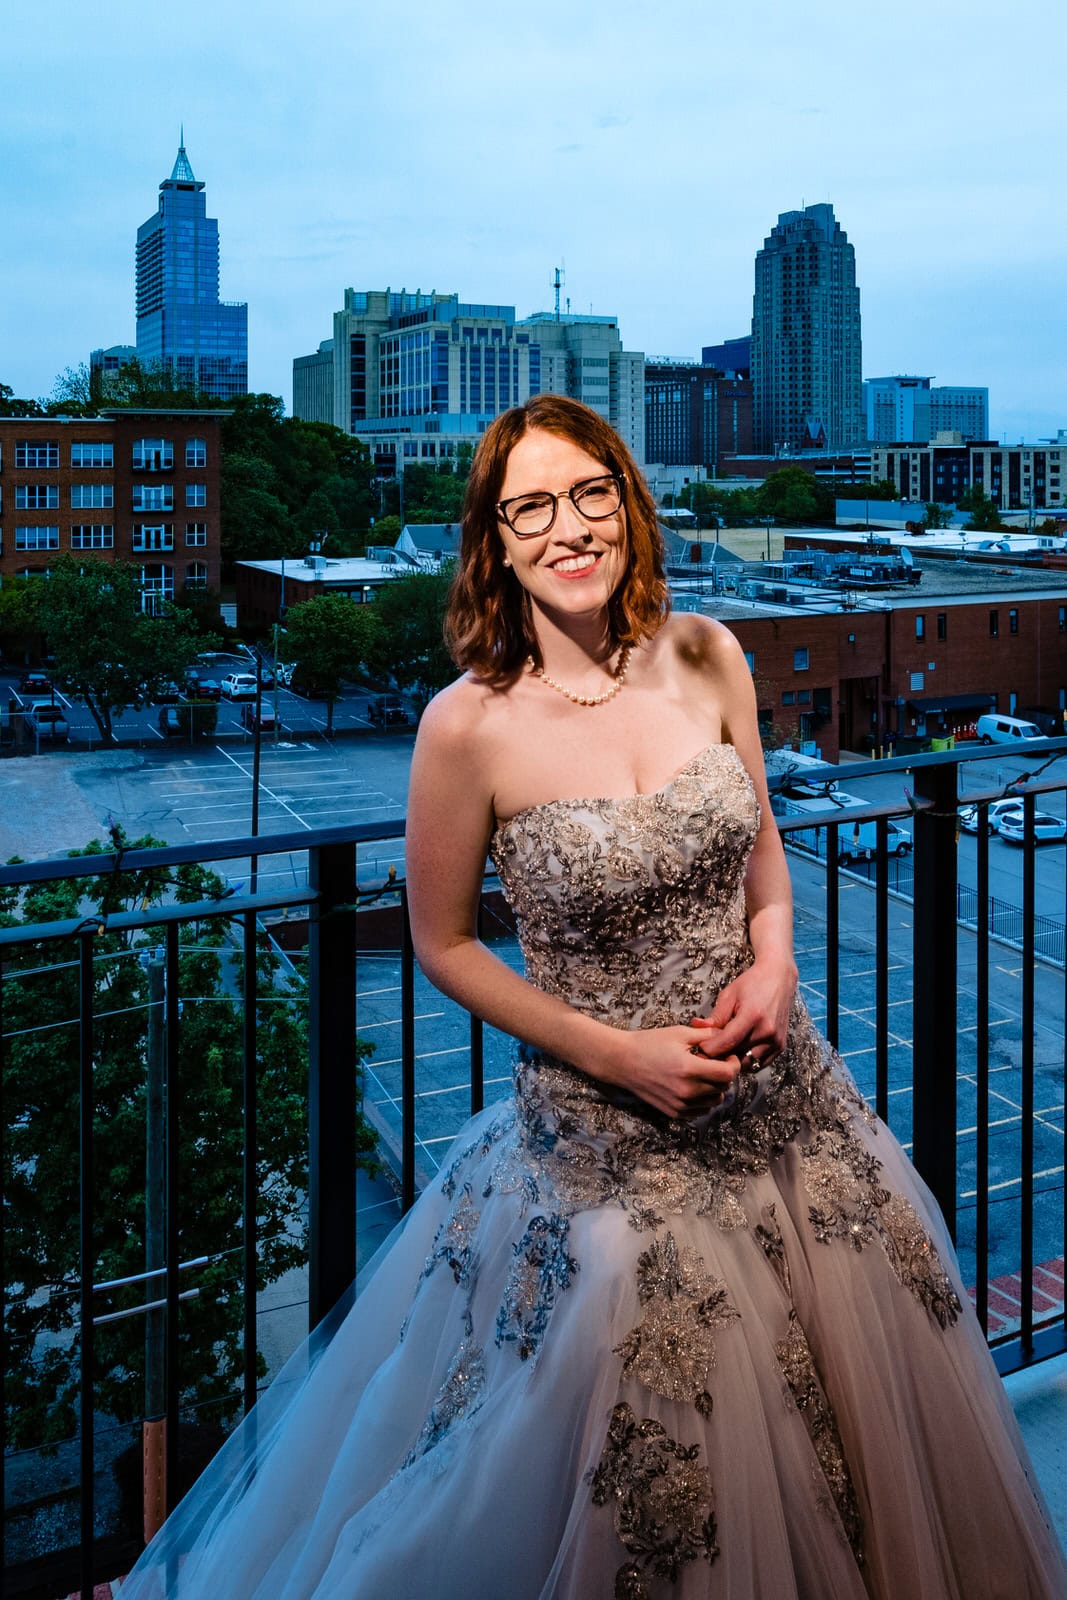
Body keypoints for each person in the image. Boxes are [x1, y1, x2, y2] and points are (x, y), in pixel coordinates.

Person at [122, 396, 1066, 1599]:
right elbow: (446, 946)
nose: (566, 527)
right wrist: (619, 1058)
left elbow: (763, 852)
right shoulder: (463, 727)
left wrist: (774, 962)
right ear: (493, 540)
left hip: (792, 1116)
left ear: (625, 501)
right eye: (530, 506)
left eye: (589, 494)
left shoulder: (707, 654)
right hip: (607, 1144)